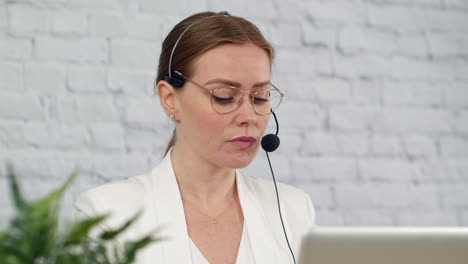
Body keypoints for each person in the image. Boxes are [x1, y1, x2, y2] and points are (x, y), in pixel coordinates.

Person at [75, 11, 315, 264]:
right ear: (170, 99)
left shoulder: (294, 210)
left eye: (260, 97)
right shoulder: (106, 214)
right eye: (223, 96)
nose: (249, 116)